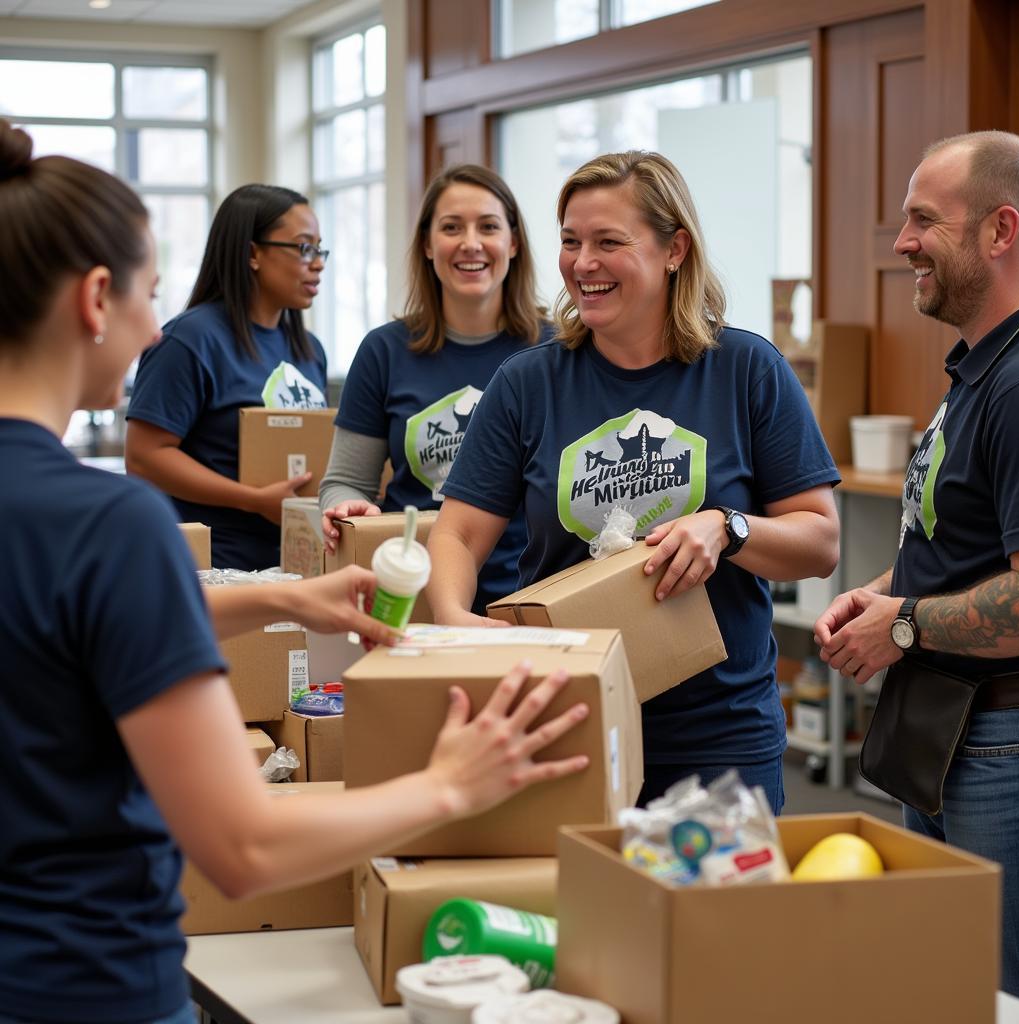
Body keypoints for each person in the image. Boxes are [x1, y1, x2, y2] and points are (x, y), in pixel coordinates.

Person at [0, 120, 590, 1024]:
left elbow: (49, 632)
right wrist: (449, 787)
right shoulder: (109, 525)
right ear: (93, 300)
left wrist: (279, 595)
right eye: (148, 297)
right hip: (80, 981)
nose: (157, 328)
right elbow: (240, 845)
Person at [427, 150, 840, 810]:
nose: (582, 263)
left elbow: (819, 543)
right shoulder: (527, 384)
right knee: (579, 915)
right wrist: (452, 617)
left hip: (720, 737)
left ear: (674, 248)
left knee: (710, 917)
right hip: (566, 719)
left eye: (607, 242)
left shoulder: (746, 370)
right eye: (569, 241)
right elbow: (459, 533)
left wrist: (728, 529)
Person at [813, 130, 1019, 997]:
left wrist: (899, 623)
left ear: (1000, 231)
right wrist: (882, 592)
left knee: (994, 990)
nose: (901, 243)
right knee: (944, 980)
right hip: (947, 734)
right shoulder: (978, 373)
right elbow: (960, 545)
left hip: (1000, 744)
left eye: (923, 221)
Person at [319, 164, 547, 614]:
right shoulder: (384, 350)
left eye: (488, 227)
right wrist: (347, 508)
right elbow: (345, 481)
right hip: (413, 597)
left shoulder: (558, 350)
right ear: (427, 244)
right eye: (451, 228)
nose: (470, 243)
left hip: (534, 598)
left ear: (513, 243)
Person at [125, 183, 330, 571]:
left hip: (295, 565)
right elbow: (144, 457)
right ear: (253, 253)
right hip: (212, 568)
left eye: (320, 248)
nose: (317, 262)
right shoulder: (189, 341)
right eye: (304, 247)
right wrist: (252, 498)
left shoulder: (309, 349)